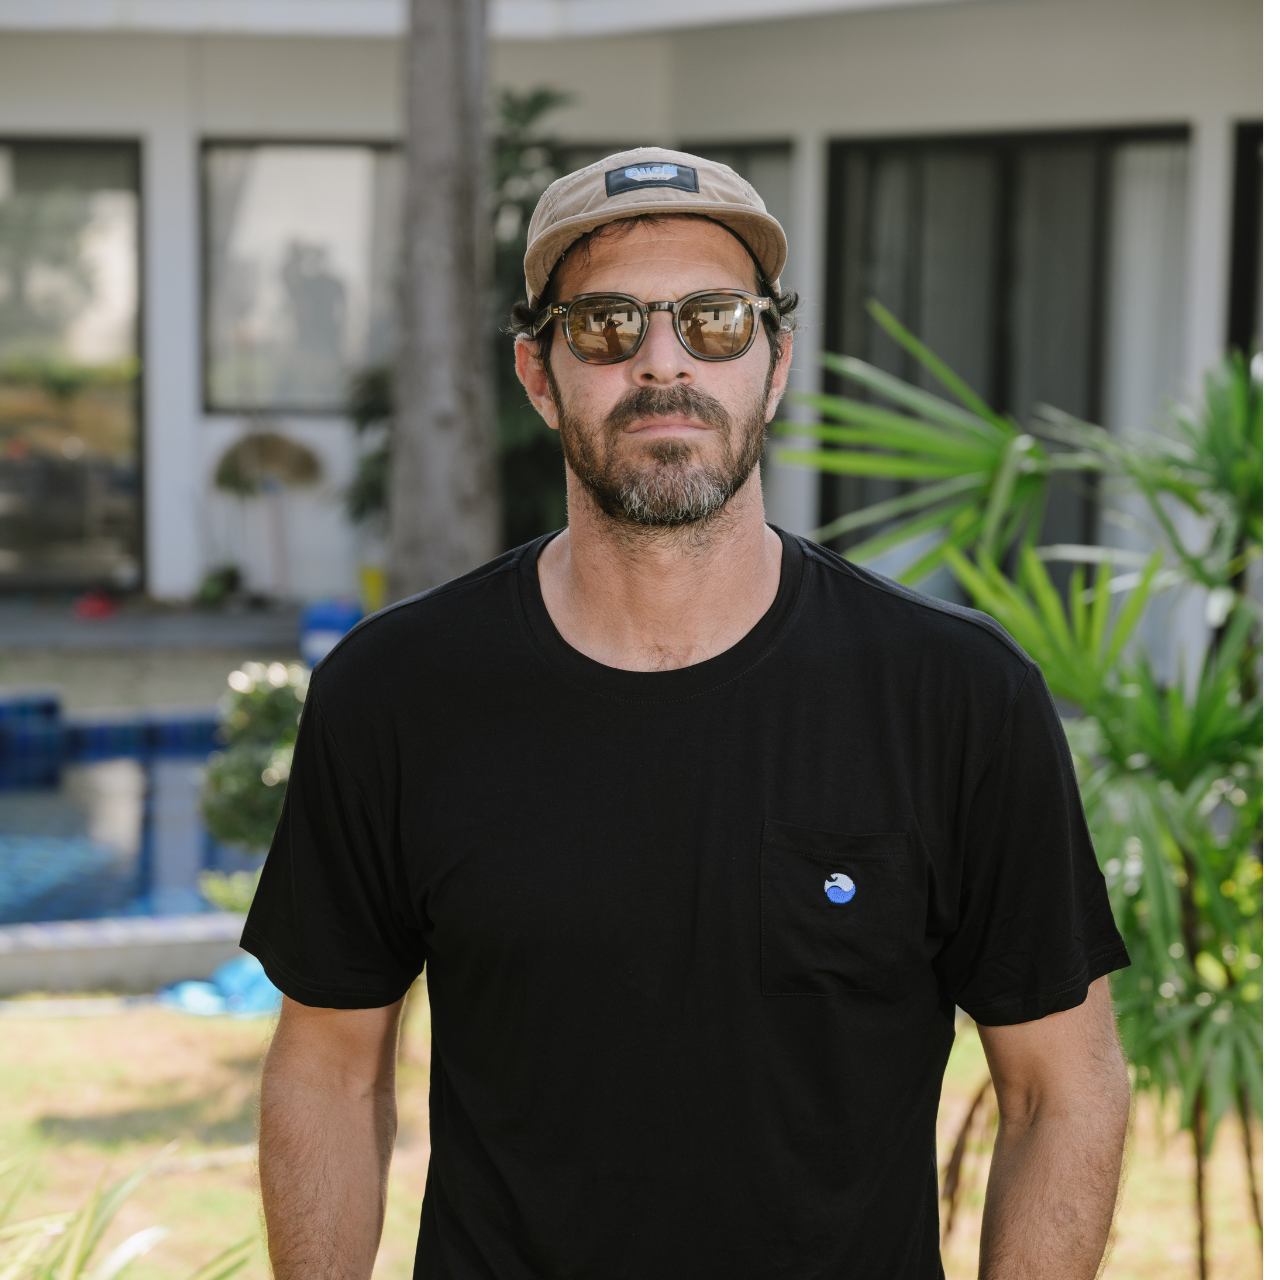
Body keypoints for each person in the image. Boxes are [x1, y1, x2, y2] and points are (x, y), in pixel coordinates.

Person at [245, 147, 1131, 1280]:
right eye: (606, 326)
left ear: (774, 364)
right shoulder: (395, 690)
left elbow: (1062, 1085)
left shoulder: (953, 695)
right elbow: (328, 1066)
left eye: (712, 320)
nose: (662, 364)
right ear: (536, 370)